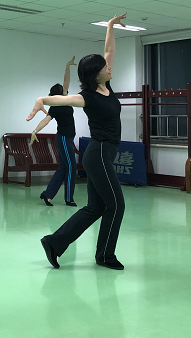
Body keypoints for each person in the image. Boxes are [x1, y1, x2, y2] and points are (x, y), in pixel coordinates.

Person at [27, 14, 128, 271]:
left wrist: (110, 26)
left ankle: (54, 243)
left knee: (96, 207)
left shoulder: (108, 88)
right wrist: (41, 100)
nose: (109, 67)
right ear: (95, 74)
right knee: (116, 205)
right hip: (99, 153)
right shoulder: (87, 96)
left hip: (103, 154)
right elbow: (63, 100)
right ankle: (105, 255)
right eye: (104, 67)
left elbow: (109, 50)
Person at [31, 57, 78, 207]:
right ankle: (69, 198)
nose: (64, 92)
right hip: (63, 138)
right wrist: (35, 131)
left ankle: (48, 195)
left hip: (68, 138)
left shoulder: (66, 99)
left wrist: (67, 66)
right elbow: (46, 120)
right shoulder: (55, 107)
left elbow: (66, 80)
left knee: (63, 168)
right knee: (71, 167)